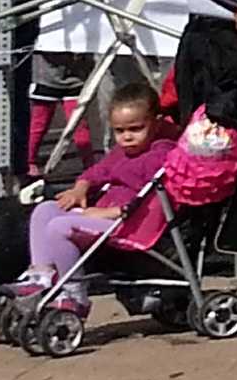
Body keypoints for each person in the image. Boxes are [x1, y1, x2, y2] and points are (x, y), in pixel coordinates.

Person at [23, 81, 174, 285]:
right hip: (104, 214)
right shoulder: (121, 153)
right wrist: (81, 187)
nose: (127, 137)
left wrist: (111, 213)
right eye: (119, 131)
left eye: (135, 129)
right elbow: (98, 171)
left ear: (156, 124)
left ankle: (72, 289)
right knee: (45, 210)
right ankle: (41, 273)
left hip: (129, 223)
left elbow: (152, 202)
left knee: (59, 227)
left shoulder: (161, 156)